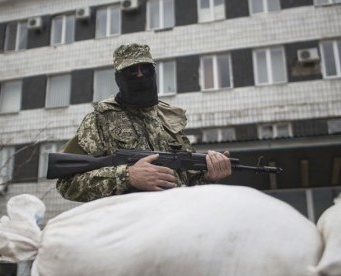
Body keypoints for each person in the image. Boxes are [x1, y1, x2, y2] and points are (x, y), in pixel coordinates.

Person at [56, 43, 231, 202]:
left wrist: (209, 177)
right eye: (132, 71)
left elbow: (187, 184)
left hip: (174, 222)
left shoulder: (168, 120)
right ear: (119, 78)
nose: (140, 75)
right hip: (129, 228)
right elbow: (67, 184)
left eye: (145, 69)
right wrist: (126, 176)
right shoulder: (100, 120)